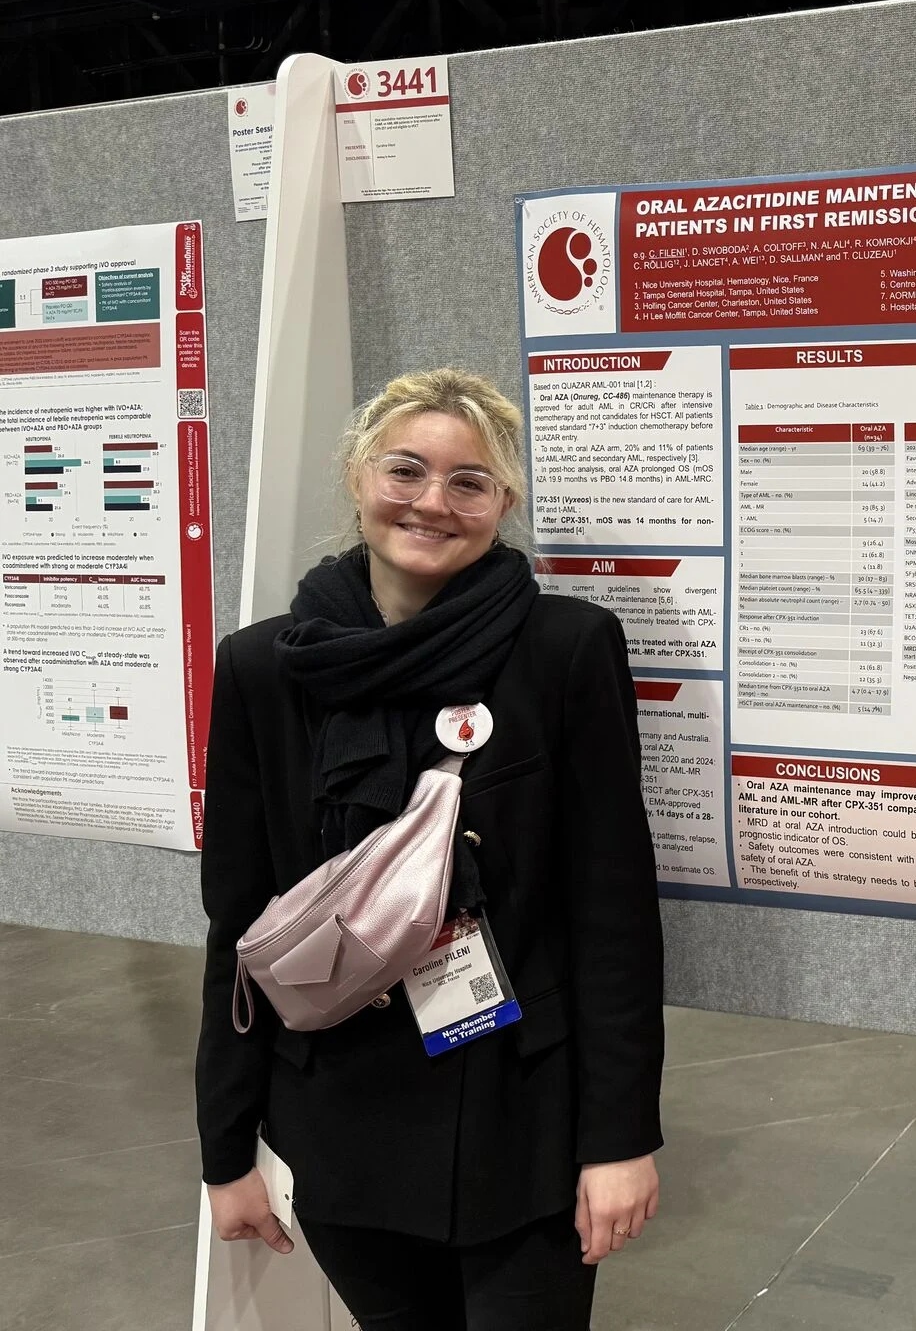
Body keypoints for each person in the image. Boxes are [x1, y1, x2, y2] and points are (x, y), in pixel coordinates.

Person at [195, 367, 664, 1329]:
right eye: (405, 470)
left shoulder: (565, 650)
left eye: (469, 482)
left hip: (518, 1113)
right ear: (358, 477)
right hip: (339, 1111)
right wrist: (226, 1148)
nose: (432, 502)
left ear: (503, 505)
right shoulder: (263, 669)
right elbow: (237, 926)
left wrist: (619, 1138)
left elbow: (613, 914)